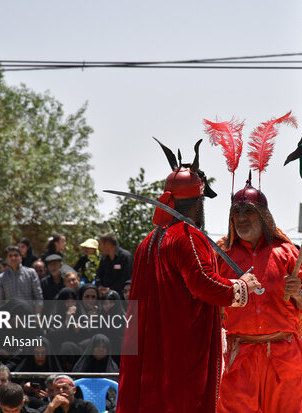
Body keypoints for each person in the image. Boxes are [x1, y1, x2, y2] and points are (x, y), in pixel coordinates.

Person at [116, 140, 261, 413]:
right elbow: (204, 285)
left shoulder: (147, 242)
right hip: (178, 350)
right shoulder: (188, 237)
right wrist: (242, 286)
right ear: (198, 202)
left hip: (151, 349)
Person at [216, 178, 302, 413]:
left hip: (283, 355)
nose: (241, 218)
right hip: (240, 356)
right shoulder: (222, 255)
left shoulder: (287, 252)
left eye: (248, 212)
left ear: (263, 215)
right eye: (236, 212)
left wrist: (298, 294)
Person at [0, 246, 43, 311]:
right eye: (10, 256)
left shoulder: (31, 273)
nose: (13, 258)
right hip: (10, 317)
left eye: (16, 255)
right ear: (6, 260)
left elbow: (38, 296)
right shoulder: (1, 279)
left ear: (21, 258)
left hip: (29, 315)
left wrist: (37, 314)